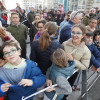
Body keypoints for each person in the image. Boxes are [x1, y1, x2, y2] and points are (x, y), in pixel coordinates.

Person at [62, 24, 91, 99]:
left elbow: (85, 66)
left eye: (78, 33)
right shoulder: (64, 44)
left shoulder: (85, 50)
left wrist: (73, 60)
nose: (75, 35)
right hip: (59, 71)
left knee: (65, 92)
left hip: (72, 74)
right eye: (73, 32)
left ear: (83, 35)